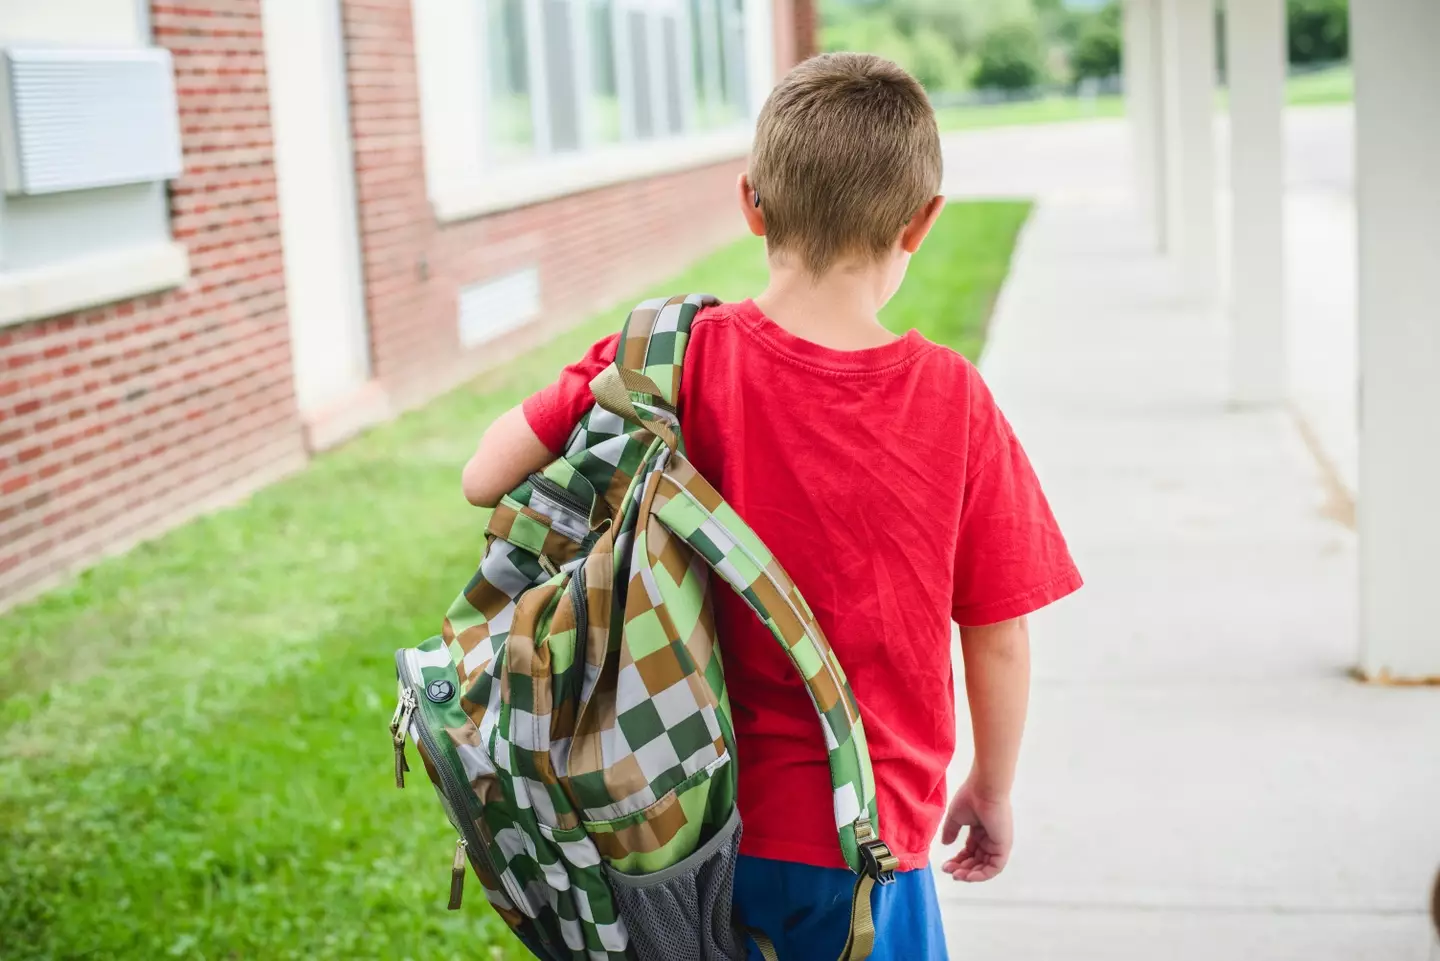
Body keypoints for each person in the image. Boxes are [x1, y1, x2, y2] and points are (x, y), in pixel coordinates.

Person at [461, 53, 1081, 961]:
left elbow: (485, 474)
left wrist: (597, 375)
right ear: (923, 222)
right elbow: (998, 631)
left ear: (750, 202)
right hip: (866, 835)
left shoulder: (671, 356)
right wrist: (991, 785)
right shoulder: (952, 399)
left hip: (678, 822)